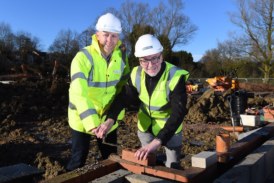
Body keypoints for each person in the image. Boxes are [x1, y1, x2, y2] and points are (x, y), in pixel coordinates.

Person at [100, 34, 189, 169]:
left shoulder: (175, 76)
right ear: (139, 61)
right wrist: (110, 119)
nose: (150, 65)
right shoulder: (136, 74)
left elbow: (179, 112)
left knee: (173, 166)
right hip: (146, 125)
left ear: (161, 55)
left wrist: (158, 142)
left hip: (170, 127)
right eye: (144, 61)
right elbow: (123, 98)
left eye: (155, 58)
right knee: (146, 164)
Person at [66, 13, 130, 171]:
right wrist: (93, 124)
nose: (110, 40)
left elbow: (124, 88)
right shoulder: (83, 58)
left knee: (111, 158)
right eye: (106, 35)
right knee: (78, 159)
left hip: (108, 119)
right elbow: (78, 93)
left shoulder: (121, 57)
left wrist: (111, 118)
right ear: (97, 35)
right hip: (82, 118)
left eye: (114, 36)